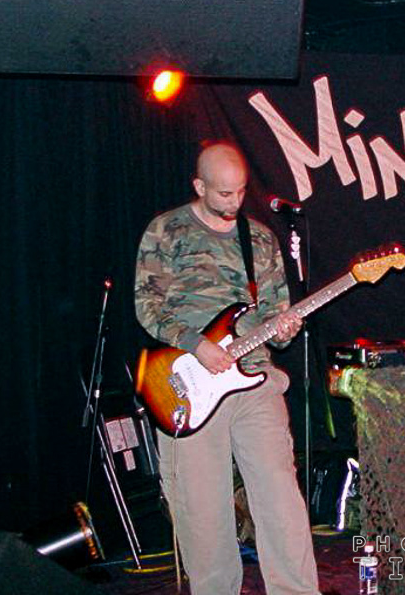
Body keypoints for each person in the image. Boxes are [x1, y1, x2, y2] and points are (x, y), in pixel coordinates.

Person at [134, 142, 319, 595]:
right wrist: (195, 344)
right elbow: (146, 305)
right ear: (199, 187)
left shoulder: (259, 239)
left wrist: (285, 328)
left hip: (254, 379)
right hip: (189, 385)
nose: (234, 201)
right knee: (202, 509)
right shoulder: (166, 230)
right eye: (223, 193)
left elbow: (275, 317)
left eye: (240, 191)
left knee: (280, 497)